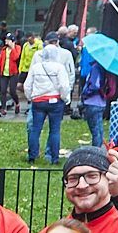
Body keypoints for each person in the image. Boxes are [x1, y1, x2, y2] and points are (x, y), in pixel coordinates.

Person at [23, 30, 75, 164]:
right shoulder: (59, 68)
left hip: (38, 101)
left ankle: (32, 156)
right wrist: (66, 99)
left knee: (35, 129)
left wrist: (31, 97)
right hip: (55, 101)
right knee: (55, 130)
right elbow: (64, 86)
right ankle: (54, 157)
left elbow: (27, 85)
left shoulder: (36, 67)